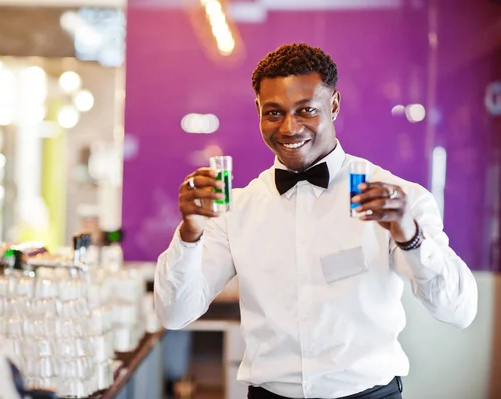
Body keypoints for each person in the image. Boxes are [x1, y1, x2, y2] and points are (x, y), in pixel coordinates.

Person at [153, 43, 478, 399]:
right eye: (274, 113)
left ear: (334, 105)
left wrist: (410, 236)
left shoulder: (396, 198)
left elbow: (459, 311)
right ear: (259, 110)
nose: (290, 128)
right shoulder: (236, 208)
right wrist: (189, 234)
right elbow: (174, 313)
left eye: (306, 110)